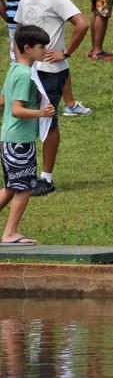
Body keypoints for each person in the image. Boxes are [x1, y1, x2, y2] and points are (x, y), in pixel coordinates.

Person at [14, 0, 89, 198]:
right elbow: (20, 32)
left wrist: (65, 53)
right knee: (28, 118)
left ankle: (46, 178)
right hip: (30, 70)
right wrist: (19, 64)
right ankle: (26, 172)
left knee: (48, 120)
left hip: (50, 72)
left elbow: (82, 23)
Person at [0, 24, 54, 245]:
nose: (44, 51)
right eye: (41, 47)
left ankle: (10, 232)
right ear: (27, 47)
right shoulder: (24, 74)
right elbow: (16, 109)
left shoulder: (14, 69)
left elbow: (3, 100)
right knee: (24, 187)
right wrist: (42, 112)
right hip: (20, 141)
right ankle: (10, 233)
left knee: (12, 186)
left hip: (8, 138)